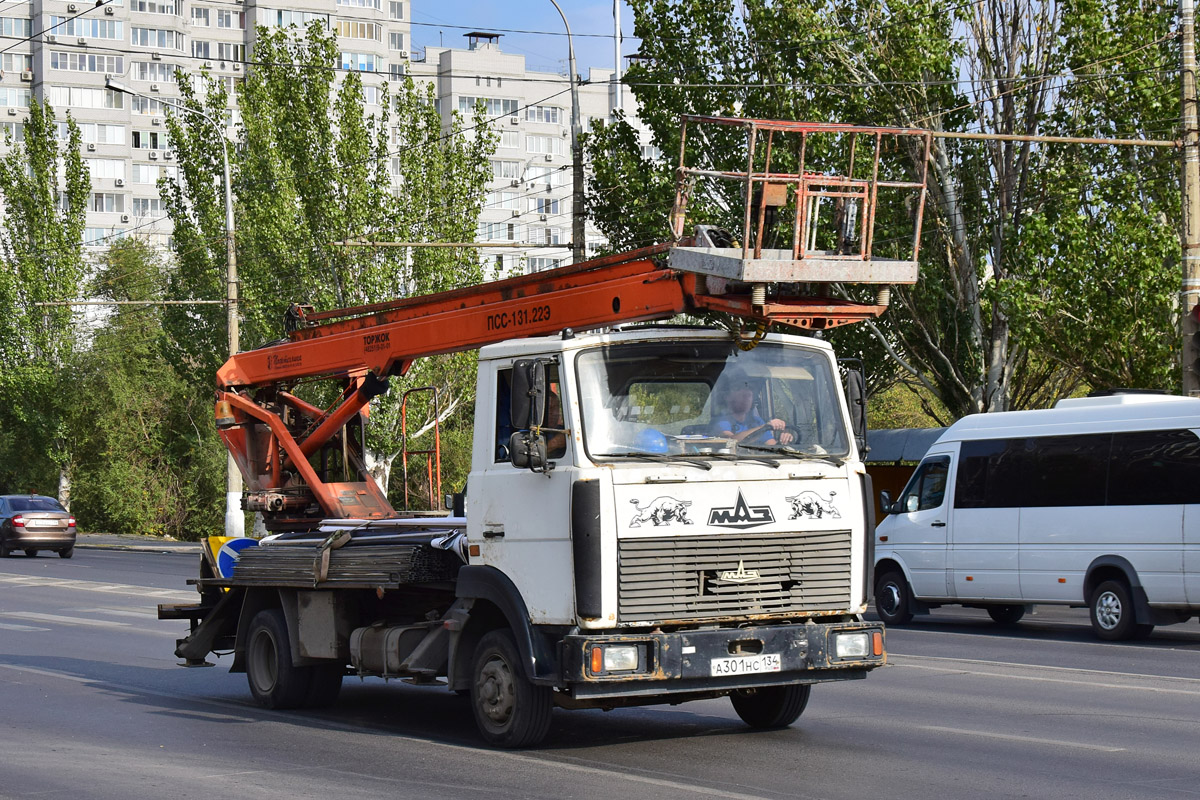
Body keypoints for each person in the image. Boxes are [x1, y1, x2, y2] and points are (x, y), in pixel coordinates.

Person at [712, 370, 794, 446]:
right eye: (739, 388)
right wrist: (763, 428)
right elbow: (730, 441)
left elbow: (771, 445)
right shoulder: (720, 422)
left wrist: (783, 440)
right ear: (727, 396)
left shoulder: (757, 421)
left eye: (749, 388)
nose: (747, 393)